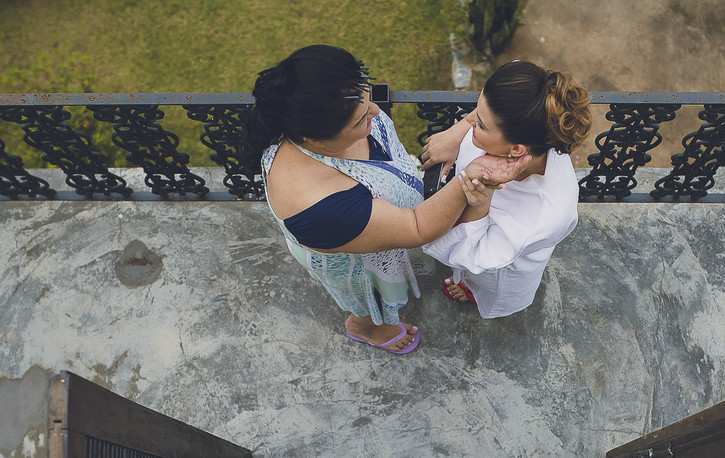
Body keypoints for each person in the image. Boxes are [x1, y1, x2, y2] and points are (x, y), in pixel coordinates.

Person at [247, 45, 530, 354]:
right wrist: (468, 181)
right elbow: (417, 226)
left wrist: (461, 129)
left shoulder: (328, 106)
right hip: (356, 259)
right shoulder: (322, 208)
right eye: (359, 121)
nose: (375, 111)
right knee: (370, 300)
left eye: (367, 98)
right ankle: (365, 328)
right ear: (313, 140)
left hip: (375, 221)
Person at [418, 61, 592, 319]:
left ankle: (471, 291)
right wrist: (456, 133)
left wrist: (479, 202)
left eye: (481, 125)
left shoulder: (543, 214)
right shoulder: (524, 103)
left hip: (500, 264)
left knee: (483, 283)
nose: (472, 120)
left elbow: (473, 254)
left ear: (517, 150)